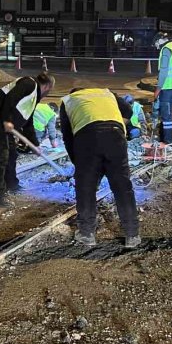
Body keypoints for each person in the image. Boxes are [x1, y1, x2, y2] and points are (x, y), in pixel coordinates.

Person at [59, 87, 140, 248]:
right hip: (116, 135)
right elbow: (128, 111)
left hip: (87, 138)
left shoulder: (68, 101)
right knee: (122, 187)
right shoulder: (106, 93)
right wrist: (118, 125)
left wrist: (78, 163)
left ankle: (86, 233)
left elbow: (67, 136)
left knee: (86, 188)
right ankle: (132, 235)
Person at [0, 71, 55, 206]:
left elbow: (28, 122)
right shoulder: (28, 83)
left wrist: (34, 144)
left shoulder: (34, 97)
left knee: (12, 153)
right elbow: (10, 99)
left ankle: (12, 184)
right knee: (2, 155)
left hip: (2, 122)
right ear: (47, 86)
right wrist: (7, 120)